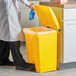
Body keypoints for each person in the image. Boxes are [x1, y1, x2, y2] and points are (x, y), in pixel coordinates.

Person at [0, 0, 35, 71]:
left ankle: (2, 59)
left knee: (5, 33)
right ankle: (20, 64)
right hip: (8, 10)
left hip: (4, 8)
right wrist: (29, 4)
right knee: (13, 34)